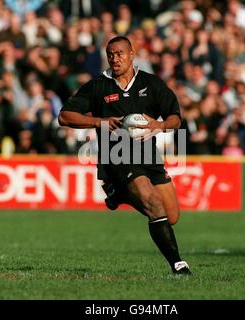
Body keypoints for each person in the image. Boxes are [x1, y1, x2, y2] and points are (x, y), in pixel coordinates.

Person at [58, 36, 191, 275]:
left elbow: (175, 118)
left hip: (149, 155)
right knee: (152, 202)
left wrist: (157, 126)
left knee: (170, 216)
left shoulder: (151, 84)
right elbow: (65, 116)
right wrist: (99, 121)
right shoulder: (98, 86)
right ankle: (178, 265)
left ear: (132, 54)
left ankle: (120, 194)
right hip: (116, 156)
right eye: (110, 55)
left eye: (119, 53)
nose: (115, 58)